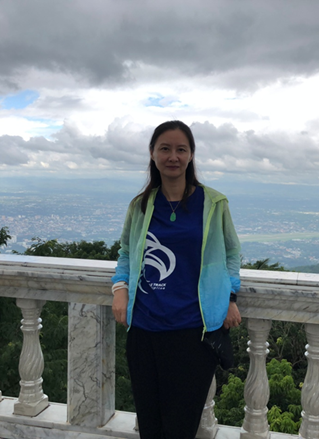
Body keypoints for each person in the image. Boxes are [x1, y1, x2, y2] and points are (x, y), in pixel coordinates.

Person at [111, 120, 242, 439]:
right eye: (165, 149)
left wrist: (230, 297)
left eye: (181, 149)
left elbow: (231, 253)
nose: (173, 156)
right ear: (153, 154)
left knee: (180, 428)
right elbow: (126, 251)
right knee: (150, 426)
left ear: (191, 155)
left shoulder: (214, 203)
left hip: (193, 332)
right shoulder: (141, 205)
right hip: (144, 330)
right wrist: (120, 288)